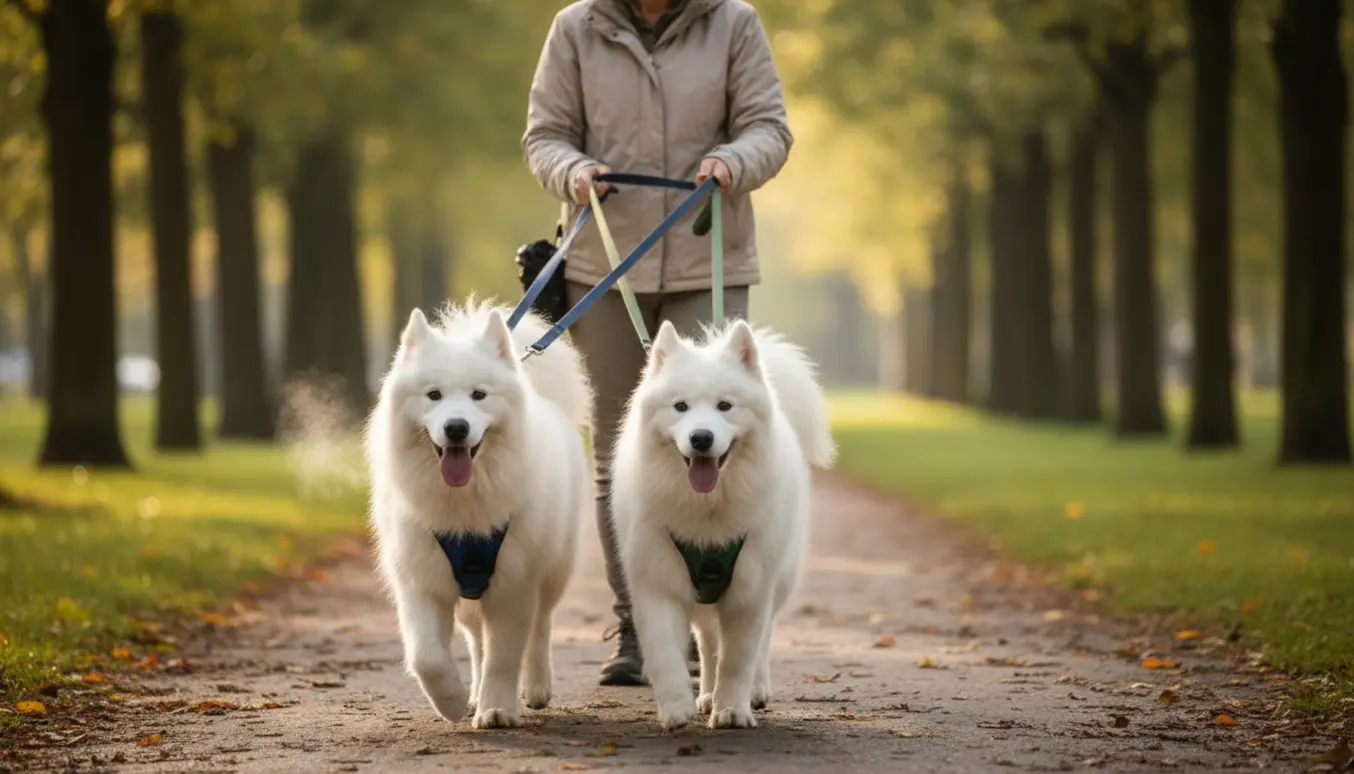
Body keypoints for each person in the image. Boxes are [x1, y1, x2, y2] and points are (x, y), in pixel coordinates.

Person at [522, 0, 792, 686]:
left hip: (709, 258)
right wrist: (573, 171)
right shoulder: (575, 28)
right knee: (620, 449)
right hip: (603, 263)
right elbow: (544, 136)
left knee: (721, 439)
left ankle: (718, 618)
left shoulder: (734, 23)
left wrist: (734, 159)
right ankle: (640, 626)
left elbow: (770, 127)